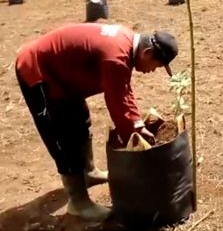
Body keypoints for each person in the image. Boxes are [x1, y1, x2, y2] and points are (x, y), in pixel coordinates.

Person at [15, 23, 178, 221]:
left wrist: (137, 124)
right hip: (38, 71)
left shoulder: (125, 42)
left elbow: (123, 89)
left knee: (80, 121)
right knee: (64, 138)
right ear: (147, 52)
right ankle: (78, 203)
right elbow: (117, 101)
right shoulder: (116, 57)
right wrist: (135, 140)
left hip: (64, 78)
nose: (153, 71)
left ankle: (88, 172)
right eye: (157, 66)